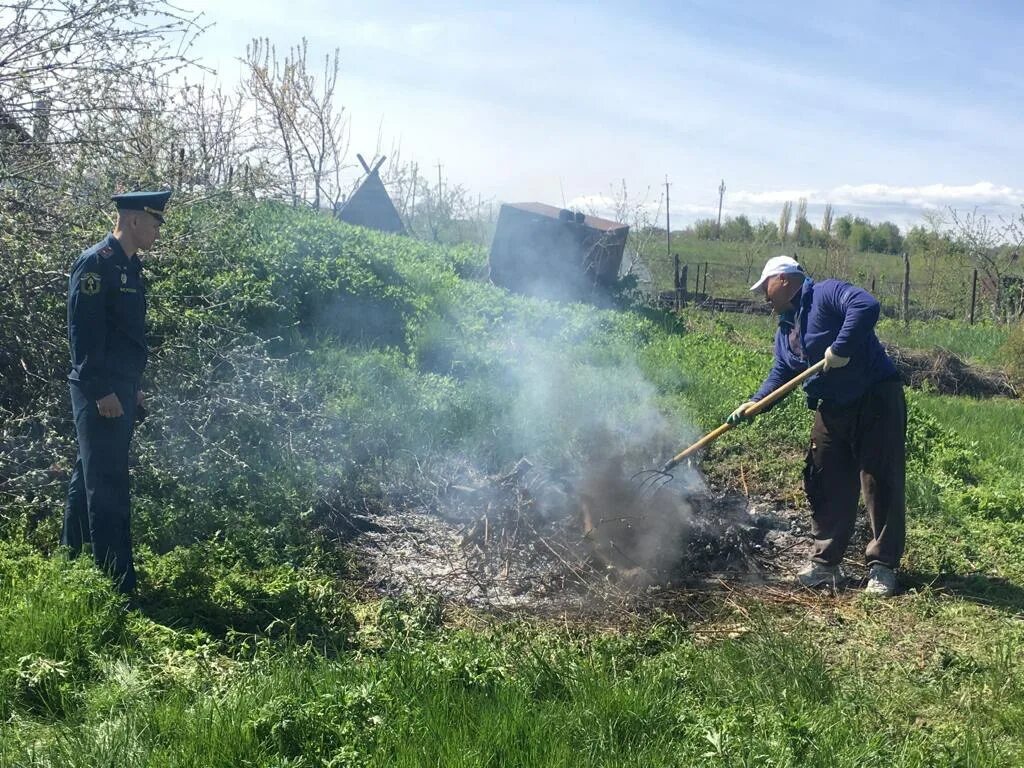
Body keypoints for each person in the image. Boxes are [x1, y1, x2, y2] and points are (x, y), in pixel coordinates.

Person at [727, 255, 905, 597]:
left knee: (879, 478)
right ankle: (826, 564)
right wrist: (755, 402)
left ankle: (882, 566)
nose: (763, 295)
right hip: (833, 405)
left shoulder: (826, 294)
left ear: (783, 280)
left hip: (875, 396)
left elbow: (866, 305)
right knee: (825, 475)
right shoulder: (785, 329)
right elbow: (783, 373)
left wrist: (841, 348)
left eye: (765, 286)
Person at [62, 190, 171, 593]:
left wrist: (133, 388)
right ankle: (116, 586)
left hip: (120, 389)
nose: (158, 231)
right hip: (100, 392)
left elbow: (124, 337)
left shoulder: (130, 267)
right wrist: (103, 390)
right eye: (155, 223)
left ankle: (68, 558)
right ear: (134, 220)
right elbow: (84, 335)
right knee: (108, 486)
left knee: (88, 474)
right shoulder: (96, 264)